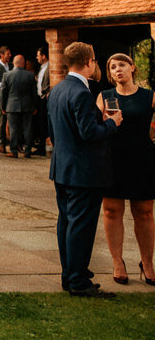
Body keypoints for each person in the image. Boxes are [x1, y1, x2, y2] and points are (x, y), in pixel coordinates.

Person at [49, 41, 122, 298]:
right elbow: (88, 133)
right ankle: (78, 281)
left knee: (67, 222)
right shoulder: (81, 92)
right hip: (83, 170)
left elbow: (60, 131)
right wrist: (112, 123)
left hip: (62, 167)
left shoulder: (57, 90)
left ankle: (70, 274)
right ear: (90, 61)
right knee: (81, 225)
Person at [97, 53, 155, 287]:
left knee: (145, 212)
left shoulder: (149, 96)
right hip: (113, 158)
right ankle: (117, 262)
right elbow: (94, 126)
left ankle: (147, 263)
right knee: (112, 211)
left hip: (143, 159)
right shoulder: (104, 96)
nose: (117, 69)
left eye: (122, 65)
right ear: (110, 74)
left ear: (132, 68)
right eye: (113, 67)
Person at [0, 55, 37, 158]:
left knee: (13, 129)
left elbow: (3, 93)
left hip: (12, 105)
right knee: (28, 128)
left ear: (14, 63)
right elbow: (34, 93)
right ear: (23, 63)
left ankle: (13, 150)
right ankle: (28, 151)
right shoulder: (30, 75)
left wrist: (3, 107)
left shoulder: (7, 75)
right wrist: (35, 106)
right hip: (27, 105)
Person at [34, 47, 51, 156]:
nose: (37, 57)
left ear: (44, 56)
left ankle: (44, 147)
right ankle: (41, 147)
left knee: (44, 124)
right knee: (40, 124)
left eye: (38, 55)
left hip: (45, 98)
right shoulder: (42, 67)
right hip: (40, 98)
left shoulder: (49, 67)